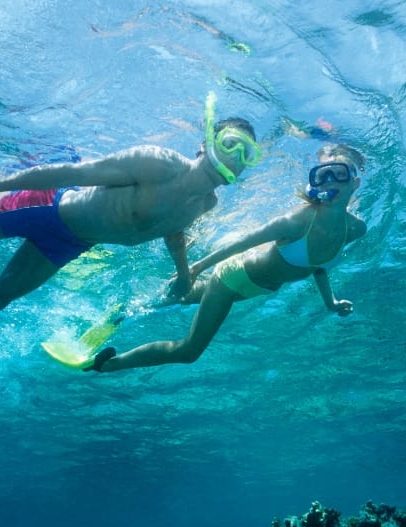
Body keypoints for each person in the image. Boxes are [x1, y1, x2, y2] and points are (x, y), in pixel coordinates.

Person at [0, 94, 262, 361]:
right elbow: (68, 172)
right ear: (206, 141)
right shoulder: (157, 163)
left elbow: (173, 233)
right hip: (48, 207)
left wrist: (185, 274)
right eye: (230, 146)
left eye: (247, 156)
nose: (235, 160)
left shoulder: (205, 203)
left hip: (70, 242)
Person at [87, 143, 367, 372]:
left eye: (338, 174)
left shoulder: (355, 229)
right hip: (232, 278)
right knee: (189, 352)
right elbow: (244, 243)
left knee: (177, 298)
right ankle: (109, 365)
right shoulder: (297, 221)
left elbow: (317, 266)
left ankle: (125, 312)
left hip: (254, 288)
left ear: (354, 182)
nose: (329, 181)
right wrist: (194, 268)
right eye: (322, 175)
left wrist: (330, 302)